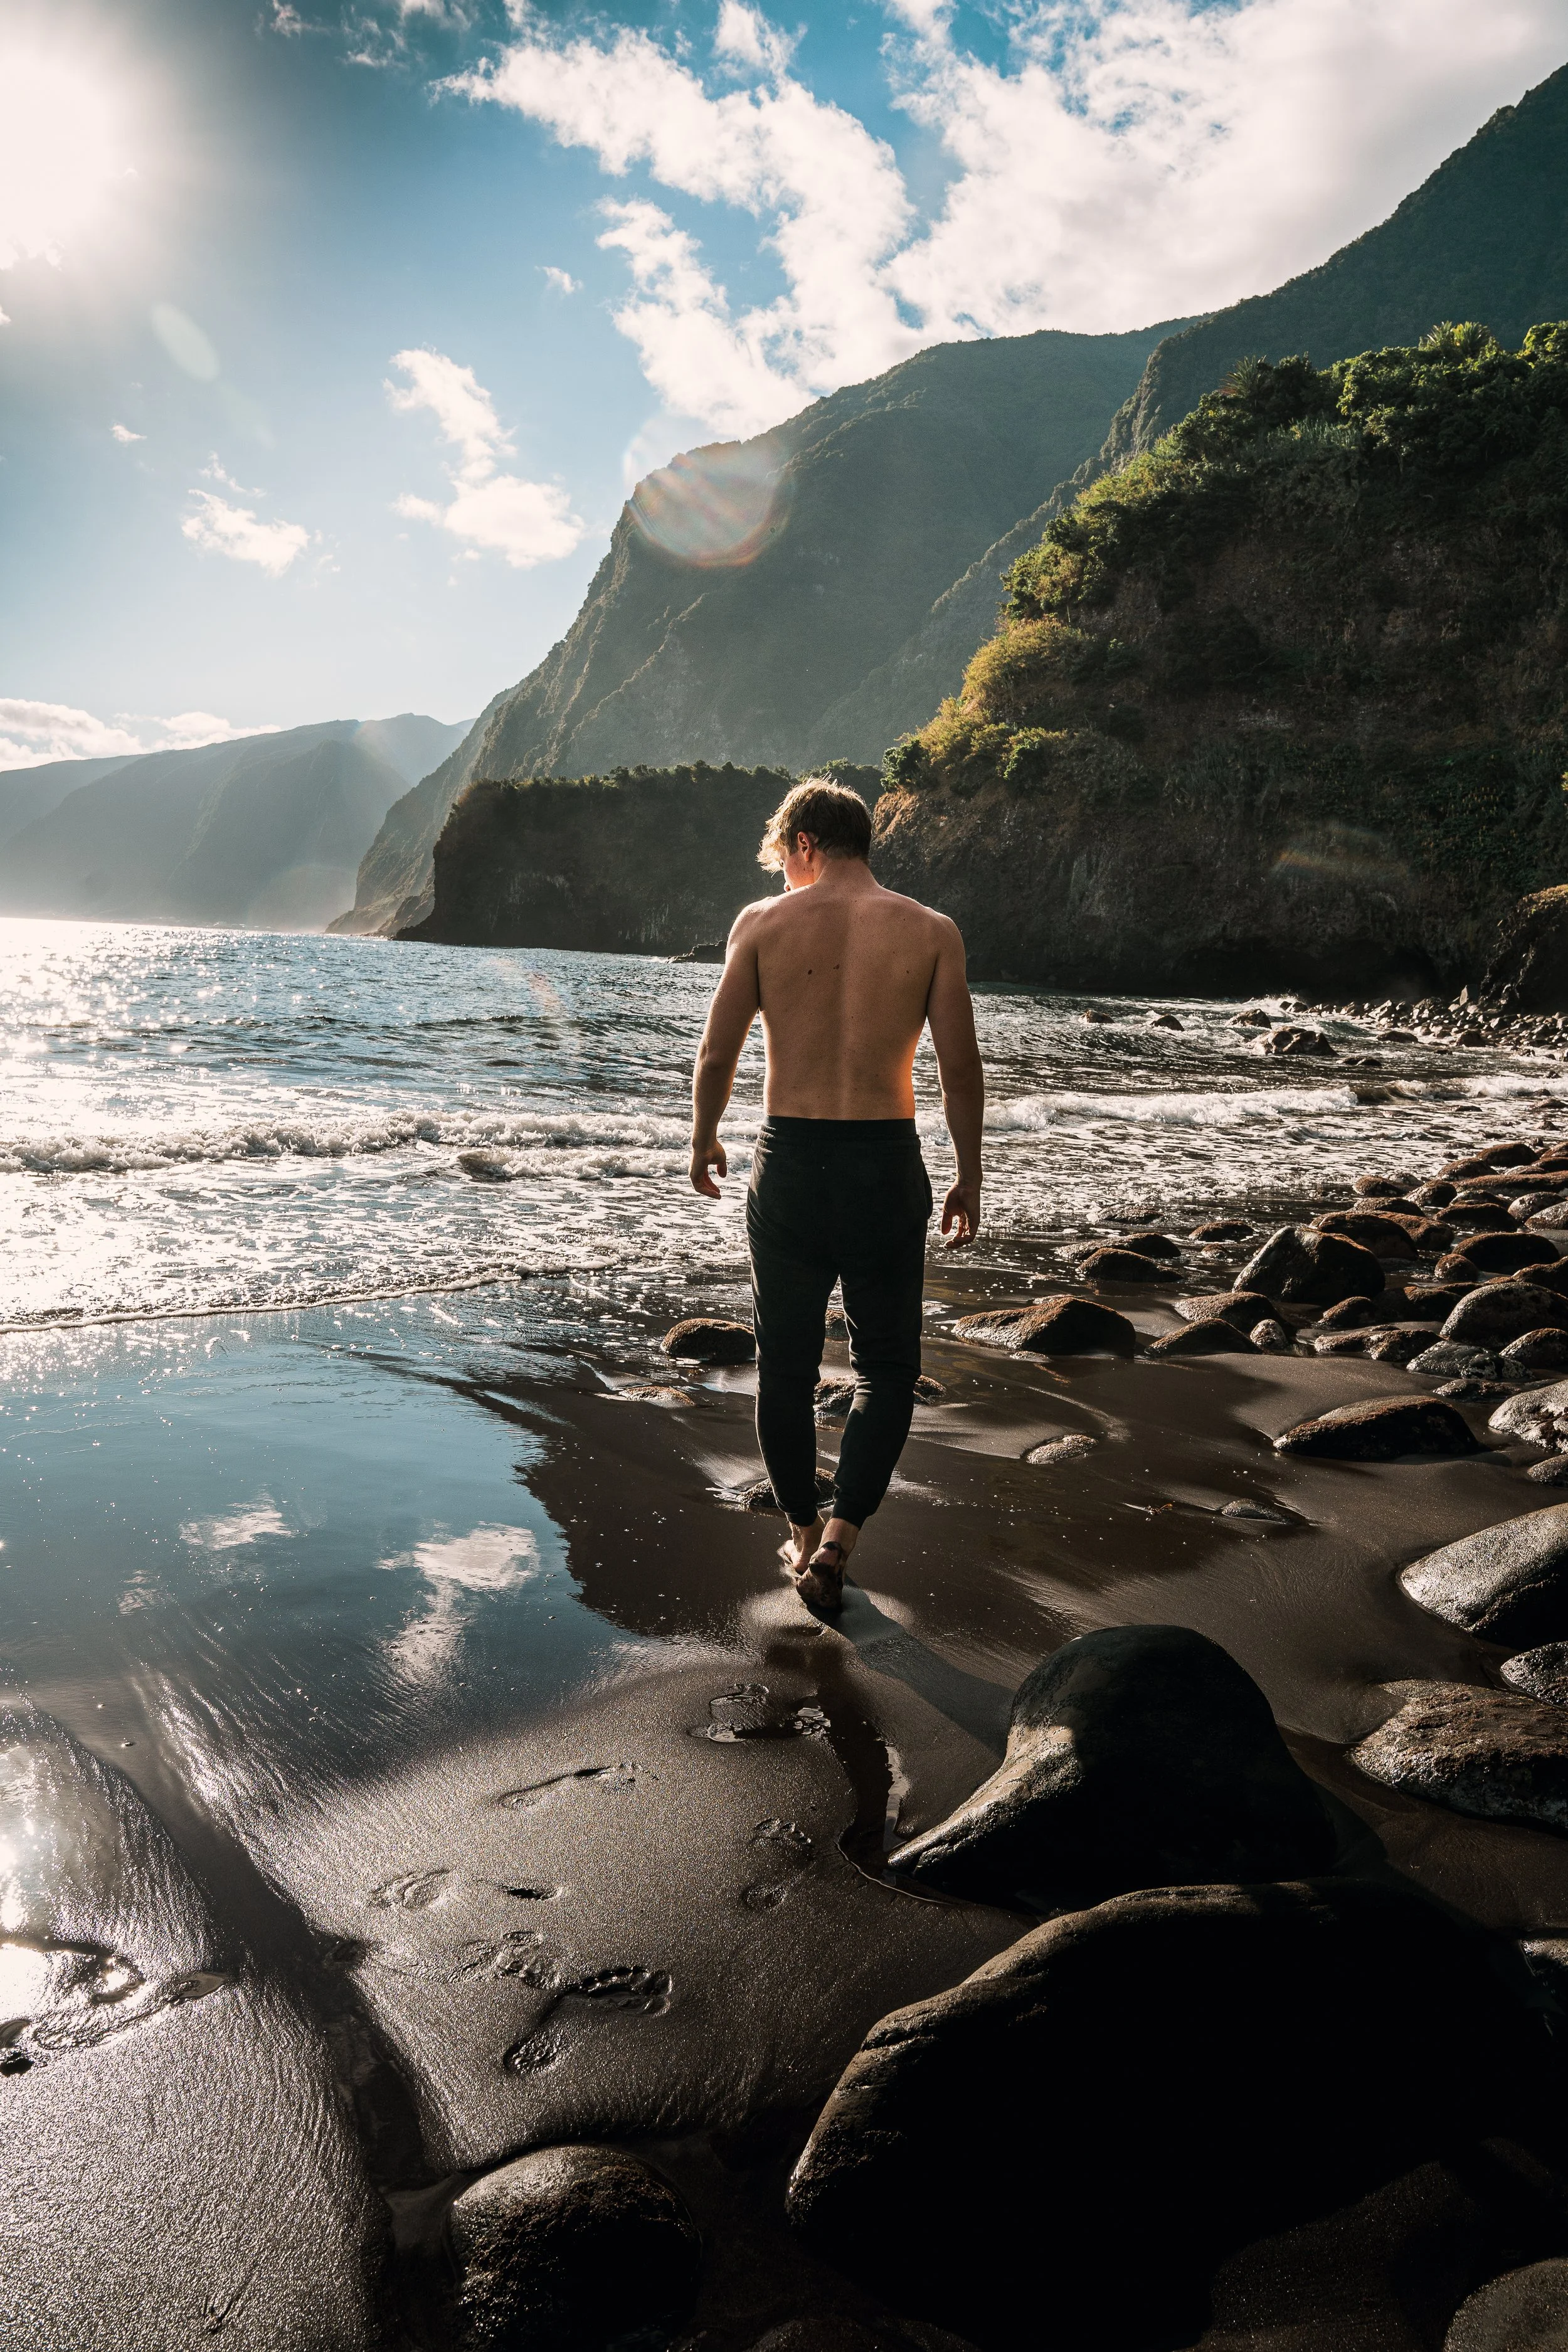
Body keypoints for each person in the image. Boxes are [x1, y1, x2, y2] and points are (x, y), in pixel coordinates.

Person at [688, 776, 984, 1611]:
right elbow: (961, 1069)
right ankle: (844, 1540)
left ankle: (802, 1534)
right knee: (887, 1366)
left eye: (784, 856)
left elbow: (717, 1054)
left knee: (784, 1366)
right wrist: (969, 1170)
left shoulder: (760, 924)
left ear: (806, 845)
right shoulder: (931, 931)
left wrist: (704, 1134)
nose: (783, 872)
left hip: (789, 1163)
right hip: (885, 1166)